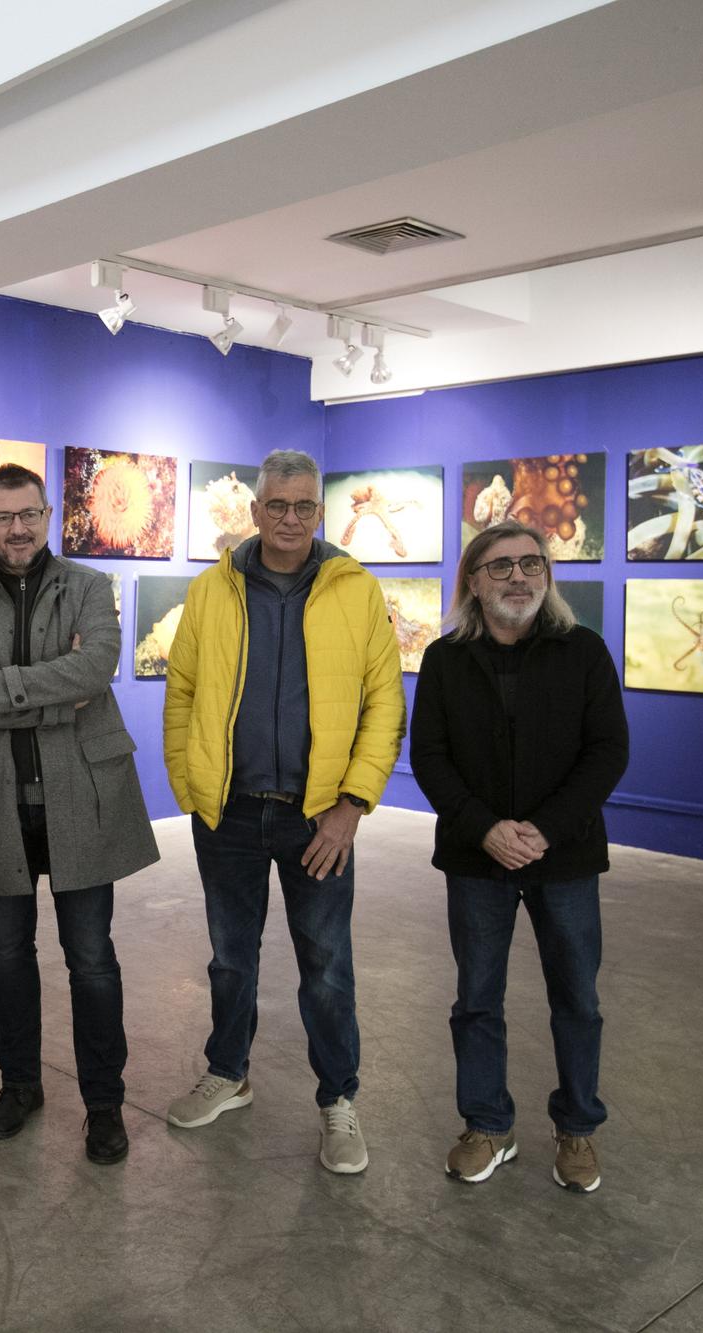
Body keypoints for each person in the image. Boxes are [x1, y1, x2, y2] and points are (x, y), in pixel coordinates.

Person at [162, 448, 404, 1175]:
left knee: (327, 967)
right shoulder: (214, 590)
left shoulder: (354, 590)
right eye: (278, 505)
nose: (290, 518)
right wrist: (189, 783)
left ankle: (338, 1098)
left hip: (318, 817)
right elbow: (181, 691)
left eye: (304, 506)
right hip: (228, 812)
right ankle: (229, 1072)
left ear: (319, 513)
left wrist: (352, 806)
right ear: (256, 510)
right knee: (231, 958)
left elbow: (385, 702)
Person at [0, 462, 158, 1165]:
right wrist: (53, 691)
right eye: (3, 517)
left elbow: (95, 670)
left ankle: (103, 1103)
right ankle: (19, 1085)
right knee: (7, 957)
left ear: (49, 514)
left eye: (29, 513)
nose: (18, 528)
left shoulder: (90, 587)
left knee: (92, 960)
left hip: (81, 799)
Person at [409, 518, 628, 1193]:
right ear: (473, 581)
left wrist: (542, 829)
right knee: (476, 998)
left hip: (563, 857)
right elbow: (430, 758)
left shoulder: (583, 651)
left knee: (577, 1000)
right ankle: (488, 1124)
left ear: (547, 576)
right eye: (500, 566)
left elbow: (607, 752)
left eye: (531, 563)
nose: (518, 577)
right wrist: (485, 830)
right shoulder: (446, 659)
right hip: (479, 860)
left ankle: (578, 1127)